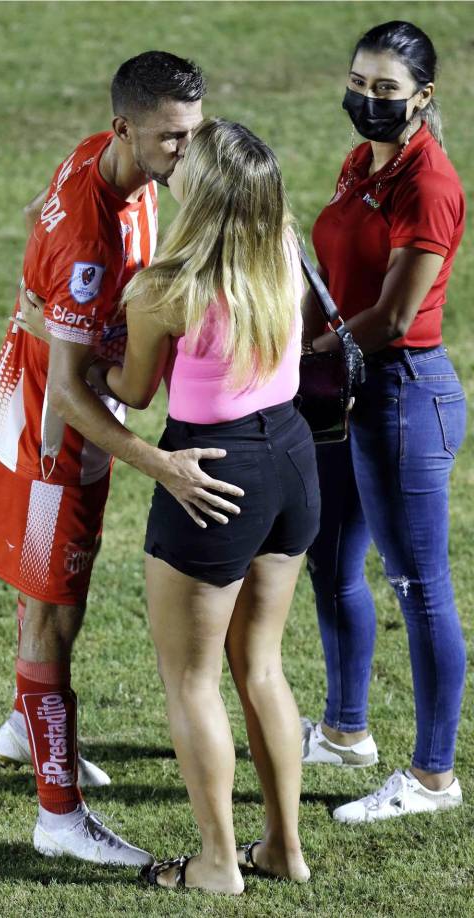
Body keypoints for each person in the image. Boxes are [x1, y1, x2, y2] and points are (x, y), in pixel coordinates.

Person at [0, 51, 245, 867]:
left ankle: (27, 729)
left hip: (48, 417)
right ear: (127, 127)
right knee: (53, 613)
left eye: (195, 133)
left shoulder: (108, 160)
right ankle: (58, 816)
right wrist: (162, 465)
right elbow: (67, 393)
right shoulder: (92, 236)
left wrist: (48, 310)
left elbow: (41, 213)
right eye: (174, 139)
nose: (188, 153)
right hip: (51, 446)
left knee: (53, 598)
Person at [88, 117, 320, 894]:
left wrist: (87, 348)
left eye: (189, 157)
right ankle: (284, 848)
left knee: (190, 678)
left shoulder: (166, 290)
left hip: (213, 472)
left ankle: (219, 863)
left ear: (207, 191)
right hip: (291, 459)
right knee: (260, 665)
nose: (174, 159)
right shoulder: (280, 242)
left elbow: (133, 393)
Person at [300, 21, 467, 823]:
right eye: (360, 83)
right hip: (349, 391)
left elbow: (396, 314)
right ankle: (343, 732)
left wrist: (303, 359)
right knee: (329, 561)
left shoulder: (428, 184)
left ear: (423, 98)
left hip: (403, 395)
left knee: (420, 587)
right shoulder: (362, 163)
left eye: (386, 90)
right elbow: (335, 269)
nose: (366, 100)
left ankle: (435, 777)